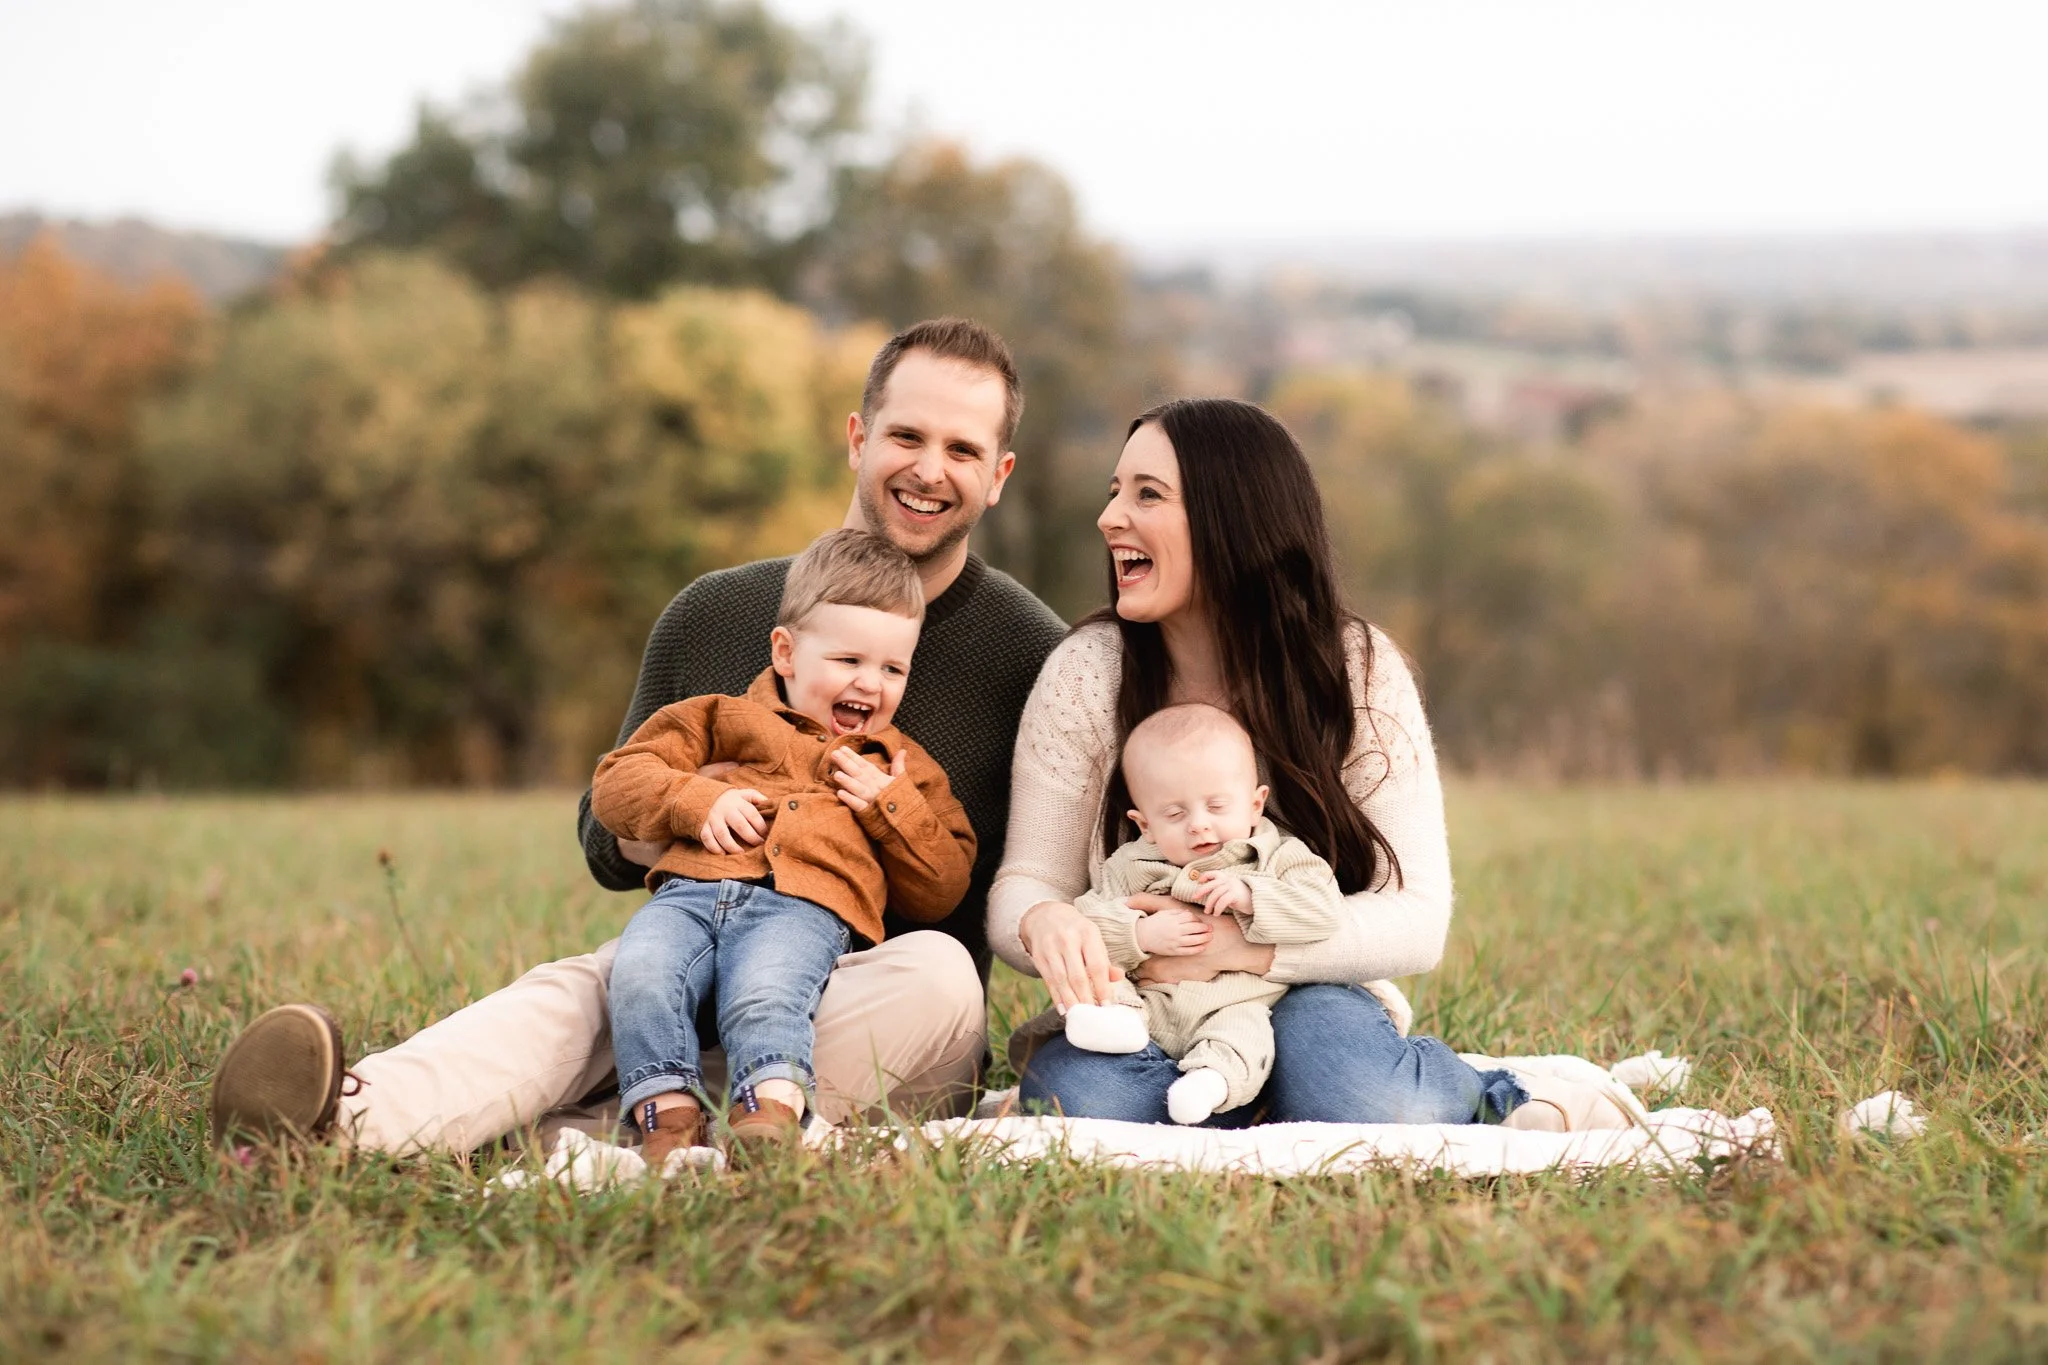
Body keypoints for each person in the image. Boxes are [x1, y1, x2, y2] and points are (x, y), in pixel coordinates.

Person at [209, 318, 1069, 1154]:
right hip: (703, 933)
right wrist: (693, 804)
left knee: (939, 977)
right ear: (857, 437)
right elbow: (605, 838)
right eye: (906, 435)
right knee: (589, 985)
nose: (928, 469)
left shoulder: (1033, 654)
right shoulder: (716, 613)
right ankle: (338, 1122)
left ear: (998, 475)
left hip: (885, 1001)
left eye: (962, 450)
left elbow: (1047, 888)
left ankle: (604, 1126)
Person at [987, 397, 1633, 1132]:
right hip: (1147, 999)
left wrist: (1243, 948)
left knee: (1366, 1099)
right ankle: (1246, 1097)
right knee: (1086, 1109)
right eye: (1114, 492)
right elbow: (1025, 884)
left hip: (1308, 989)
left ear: (1233, 517)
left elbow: (1417, 917)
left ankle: (1509, 1094)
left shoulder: (1356, 670)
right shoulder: (1086, 674)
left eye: (1147, 495)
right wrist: (1045, 921)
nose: (1109, 519)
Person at [593, 530, 975, 1162]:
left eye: (892, 668)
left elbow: (943, 886)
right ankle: (669, 1118)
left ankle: (766, 1113)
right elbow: (616, 783)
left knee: (767, 988)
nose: (871, 684)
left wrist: (888, 806)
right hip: (687, 896)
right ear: (787, 653)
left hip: (803, 909)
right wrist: (696, 801)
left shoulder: (900, 766)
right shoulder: (717, 717)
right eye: (849, 661)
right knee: (642, 974)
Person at [1059, 702, 1411, 1126]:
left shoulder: (1282, 858)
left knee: (1244, 1034)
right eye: (1174, 813)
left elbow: (1322, 913)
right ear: (1145, 824)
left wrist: (1252, 895)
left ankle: (1211, 1082)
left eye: (1217, 806)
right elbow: (1087, 920)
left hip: (1238, 1000)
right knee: (1107, 986)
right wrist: (1140, 935)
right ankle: (1116, 1026)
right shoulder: (1129, 865)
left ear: (1255, 804)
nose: (1198, 825)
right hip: (1150, 1001)